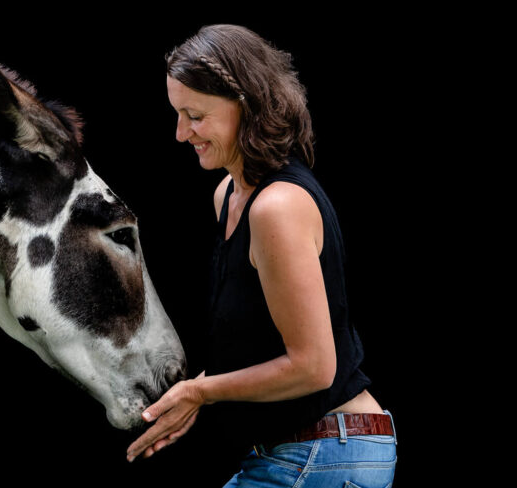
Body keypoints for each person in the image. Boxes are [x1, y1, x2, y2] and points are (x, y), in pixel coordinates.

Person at [125, 25, 396, 486]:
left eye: (194, 115)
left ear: (244, 107)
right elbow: (260, 345)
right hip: (298, 451)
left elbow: (313, 365)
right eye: (177, 113)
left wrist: (201, 390)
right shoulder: (228, 196)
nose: (180, 133)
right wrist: (190, 397)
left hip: (330, 448)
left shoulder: (277, 207)